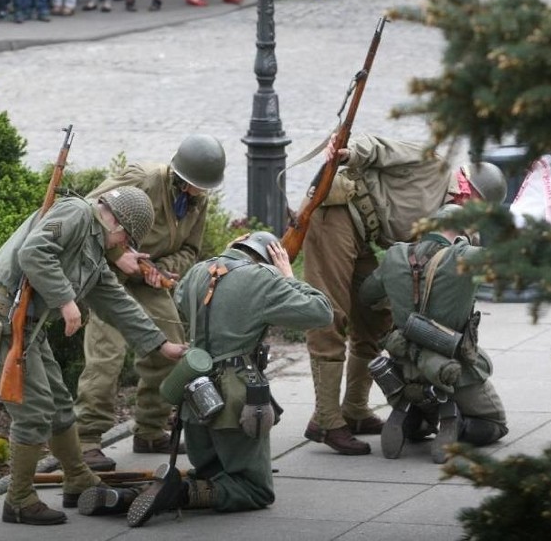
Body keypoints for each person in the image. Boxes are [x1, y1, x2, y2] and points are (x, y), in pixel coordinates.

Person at [75, 231, 333, 525]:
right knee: (254, 489)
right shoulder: (263, 278)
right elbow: (321, 313)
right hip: (238, 398)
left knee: (210, 475)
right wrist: (287, 276)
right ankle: (180, 494)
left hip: (195, 392)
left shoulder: (199, 271)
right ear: (268, 257)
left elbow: (183, 302)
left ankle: (127, 497)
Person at [0, 186, 187, 525]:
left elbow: (118, 303)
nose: (122, 247)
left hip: (29, 326)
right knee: (34, 408)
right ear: (116, 223)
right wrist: (66, 301)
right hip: (3, 318)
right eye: (126, 240)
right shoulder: (77, 213)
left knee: (57, 401)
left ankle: (77, 478)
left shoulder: (95, 249)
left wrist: (162, 345)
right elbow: (34, 252)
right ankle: (19, 500)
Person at [301, 133, 507, 456]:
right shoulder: (430, 165)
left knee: (375, 319)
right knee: (330, 316)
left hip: (362, 234)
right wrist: (348, 152)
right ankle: (326, 419)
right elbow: (378, 148)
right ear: (468, 192)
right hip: (337, 217)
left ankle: (354, 409)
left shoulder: (450, 216)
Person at [74, 133, 225, 471]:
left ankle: (151, 430)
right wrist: (118, 253)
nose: (201, 193)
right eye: (197, 185)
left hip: (146, 276)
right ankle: (87, 441)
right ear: (181, 175)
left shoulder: (198, 200)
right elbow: (86, 211)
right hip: (107, 274)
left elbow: (191, 250)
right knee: (106, 356)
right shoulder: (141, 179)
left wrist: (161, 270)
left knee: (171, 346)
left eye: (204, 187)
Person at [359, 204, 509, 463]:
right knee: (495, 424)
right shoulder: (464, 256)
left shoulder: (395, 256)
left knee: (415, 401)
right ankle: (455, 422)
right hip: (452, 370)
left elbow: (367, 295)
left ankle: (413, 419)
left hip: (402, 370)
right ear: (461, 233)